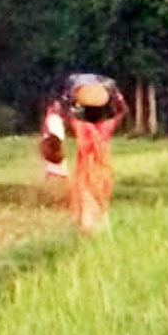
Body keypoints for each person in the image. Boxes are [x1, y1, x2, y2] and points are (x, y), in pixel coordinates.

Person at [55, 73, 127, 233]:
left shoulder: (82, 127)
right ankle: (96, 228)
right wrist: (117, 98)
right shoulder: (106, 127)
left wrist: (67, 100)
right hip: (102, 170)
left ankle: (85, 227)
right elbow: (121, 113)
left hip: (85, 171)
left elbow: (65, 115)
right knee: (100, 199)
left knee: (84, 198)